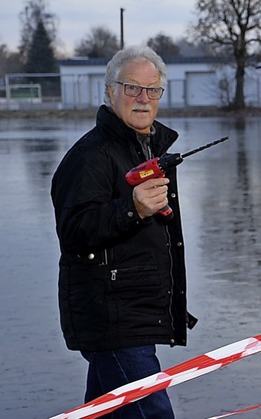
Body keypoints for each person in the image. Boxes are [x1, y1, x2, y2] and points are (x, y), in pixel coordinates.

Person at [51, 45, 197, 418]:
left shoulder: (151, 149)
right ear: (110, 91)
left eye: (152, 90)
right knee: (153, 412)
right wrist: (131, 209)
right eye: (131, 87)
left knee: (103, 411)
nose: (142, 99)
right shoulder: (90, 156)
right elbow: (74, 232)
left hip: (138, 311)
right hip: (111, 317)